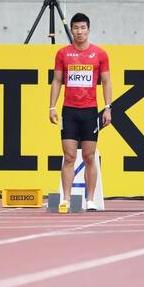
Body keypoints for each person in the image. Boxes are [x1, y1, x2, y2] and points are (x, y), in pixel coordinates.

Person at [49, 12, 112, 213]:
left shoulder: (100, 54)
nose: (79, 32)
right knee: (68, 156)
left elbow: (106, 81)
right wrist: (52, 106)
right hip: (69, 111)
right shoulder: (62, 54)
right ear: (71, 30)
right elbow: (57, 81)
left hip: (90, 111)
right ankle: (66, 199)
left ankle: (90, 199)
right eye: (75, 28)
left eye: (83, 28)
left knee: (89, 156)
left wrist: (108, 107)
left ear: (88, 29)